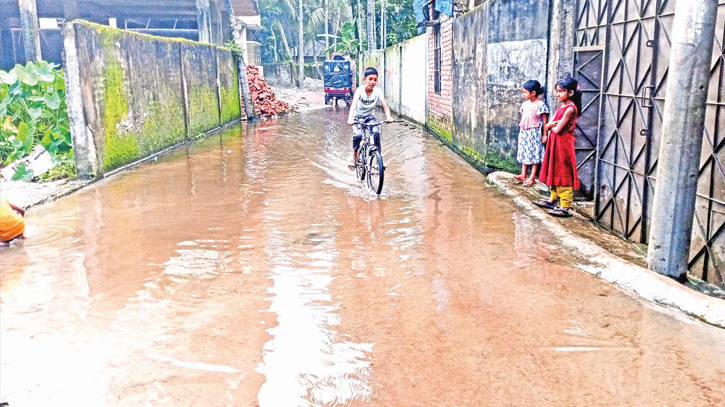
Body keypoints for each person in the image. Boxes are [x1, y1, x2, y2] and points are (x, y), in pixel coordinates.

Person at [533, 77, 582, 217]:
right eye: (557, 91)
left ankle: (565, 205)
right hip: (555, 143)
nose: (558, 94)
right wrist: (550, 126)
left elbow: (556, 129)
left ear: (571, 93)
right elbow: (550, 125)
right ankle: (553, 199)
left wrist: (549, 126)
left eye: (561, 91)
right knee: (554, 168)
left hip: (564, 144)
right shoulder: (562, 107)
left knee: (564, 171)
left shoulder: (570, 109)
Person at [346, 67, 394, 170]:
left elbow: (385, 106)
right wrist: (350, 118)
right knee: (358, 136)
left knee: (376, 134)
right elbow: (353, 105)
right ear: (364, 80)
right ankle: (354, 157)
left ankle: (378, 159)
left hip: (370, 117)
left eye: (375, 79)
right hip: (358, 118)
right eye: (370, 79)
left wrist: (389, 116)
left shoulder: (378, 92)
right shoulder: (360, 90)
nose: (372, 82)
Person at [514, 80, 549, 186]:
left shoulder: (540, 105)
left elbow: (544, 120)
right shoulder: (525, 104)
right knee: (524, 151)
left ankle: (532, 177)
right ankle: (523, 174)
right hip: (524, 131)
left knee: (534, 154)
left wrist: (544, 134)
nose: (523, 94)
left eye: (525, 92)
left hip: (534, 133)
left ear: (533, 93)